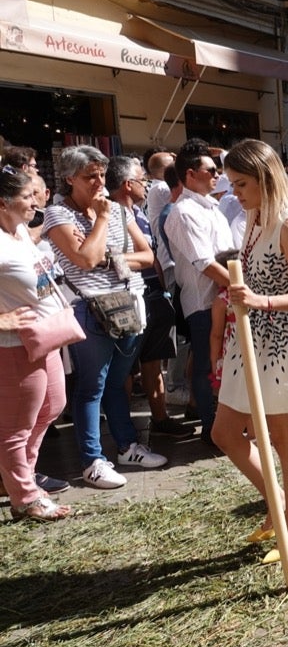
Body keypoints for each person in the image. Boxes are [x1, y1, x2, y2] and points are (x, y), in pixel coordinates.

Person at [211, 139, 288, 564]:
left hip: (285, 342)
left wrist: (258, 300)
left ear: (265, 178)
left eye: (241, 183)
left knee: (282, 438)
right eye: (231, 183)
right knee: (224, 432)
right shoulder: (253, 216)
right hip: (249, 338)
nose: (235, 193)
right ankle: (278, 501)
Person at [43, 146, 165, 489]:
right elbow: (83, 260)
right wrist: (101, 220)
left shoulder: (117, 210)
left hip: (129, 303)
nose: (98, 182)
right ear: (69, 179)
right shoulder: (59, 216)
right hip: (89, 307)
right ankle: (92, 460)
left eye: (101, 174)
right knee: (91, 386)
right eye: (89, 176)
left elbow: (147, 255)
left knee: (118, 382)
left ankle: (126, 446)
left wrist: (109, 255)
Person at [0, 168, 71, 520]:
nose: (36, 200)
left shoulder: (18, 232)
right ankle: (24, 498)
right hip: (12, 346)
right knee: (16, 425)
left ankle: (21, 480)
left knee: (52, 405)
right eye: (28, 195)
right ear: (3, 202)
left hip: (46, 335)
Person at [105, 156, 192, 440]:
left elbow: (151, 255)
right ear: (128, 185)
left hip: (155, 294)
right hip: (127, 297)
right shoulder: (109, 215)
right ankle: (124, 428)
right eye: (142, 180)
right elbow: (115, 258)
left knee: (154, 361)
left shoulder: (138, 213)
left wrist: (164, 289)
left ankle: (160, 419)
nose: (147, 185)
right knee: (127, 369)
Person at [164, 144, 236, 446]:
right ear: (191, 175)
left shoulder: (211, 207)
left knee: (224, 362)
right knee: (207, 364)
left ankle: (224, 422)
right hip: (203, 301)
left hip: (224, 296)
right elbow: (204, 262)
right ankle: (211, 427)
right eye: (211, 170)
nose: (217, 175)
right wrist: (238, 286)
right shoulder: (183, 212)